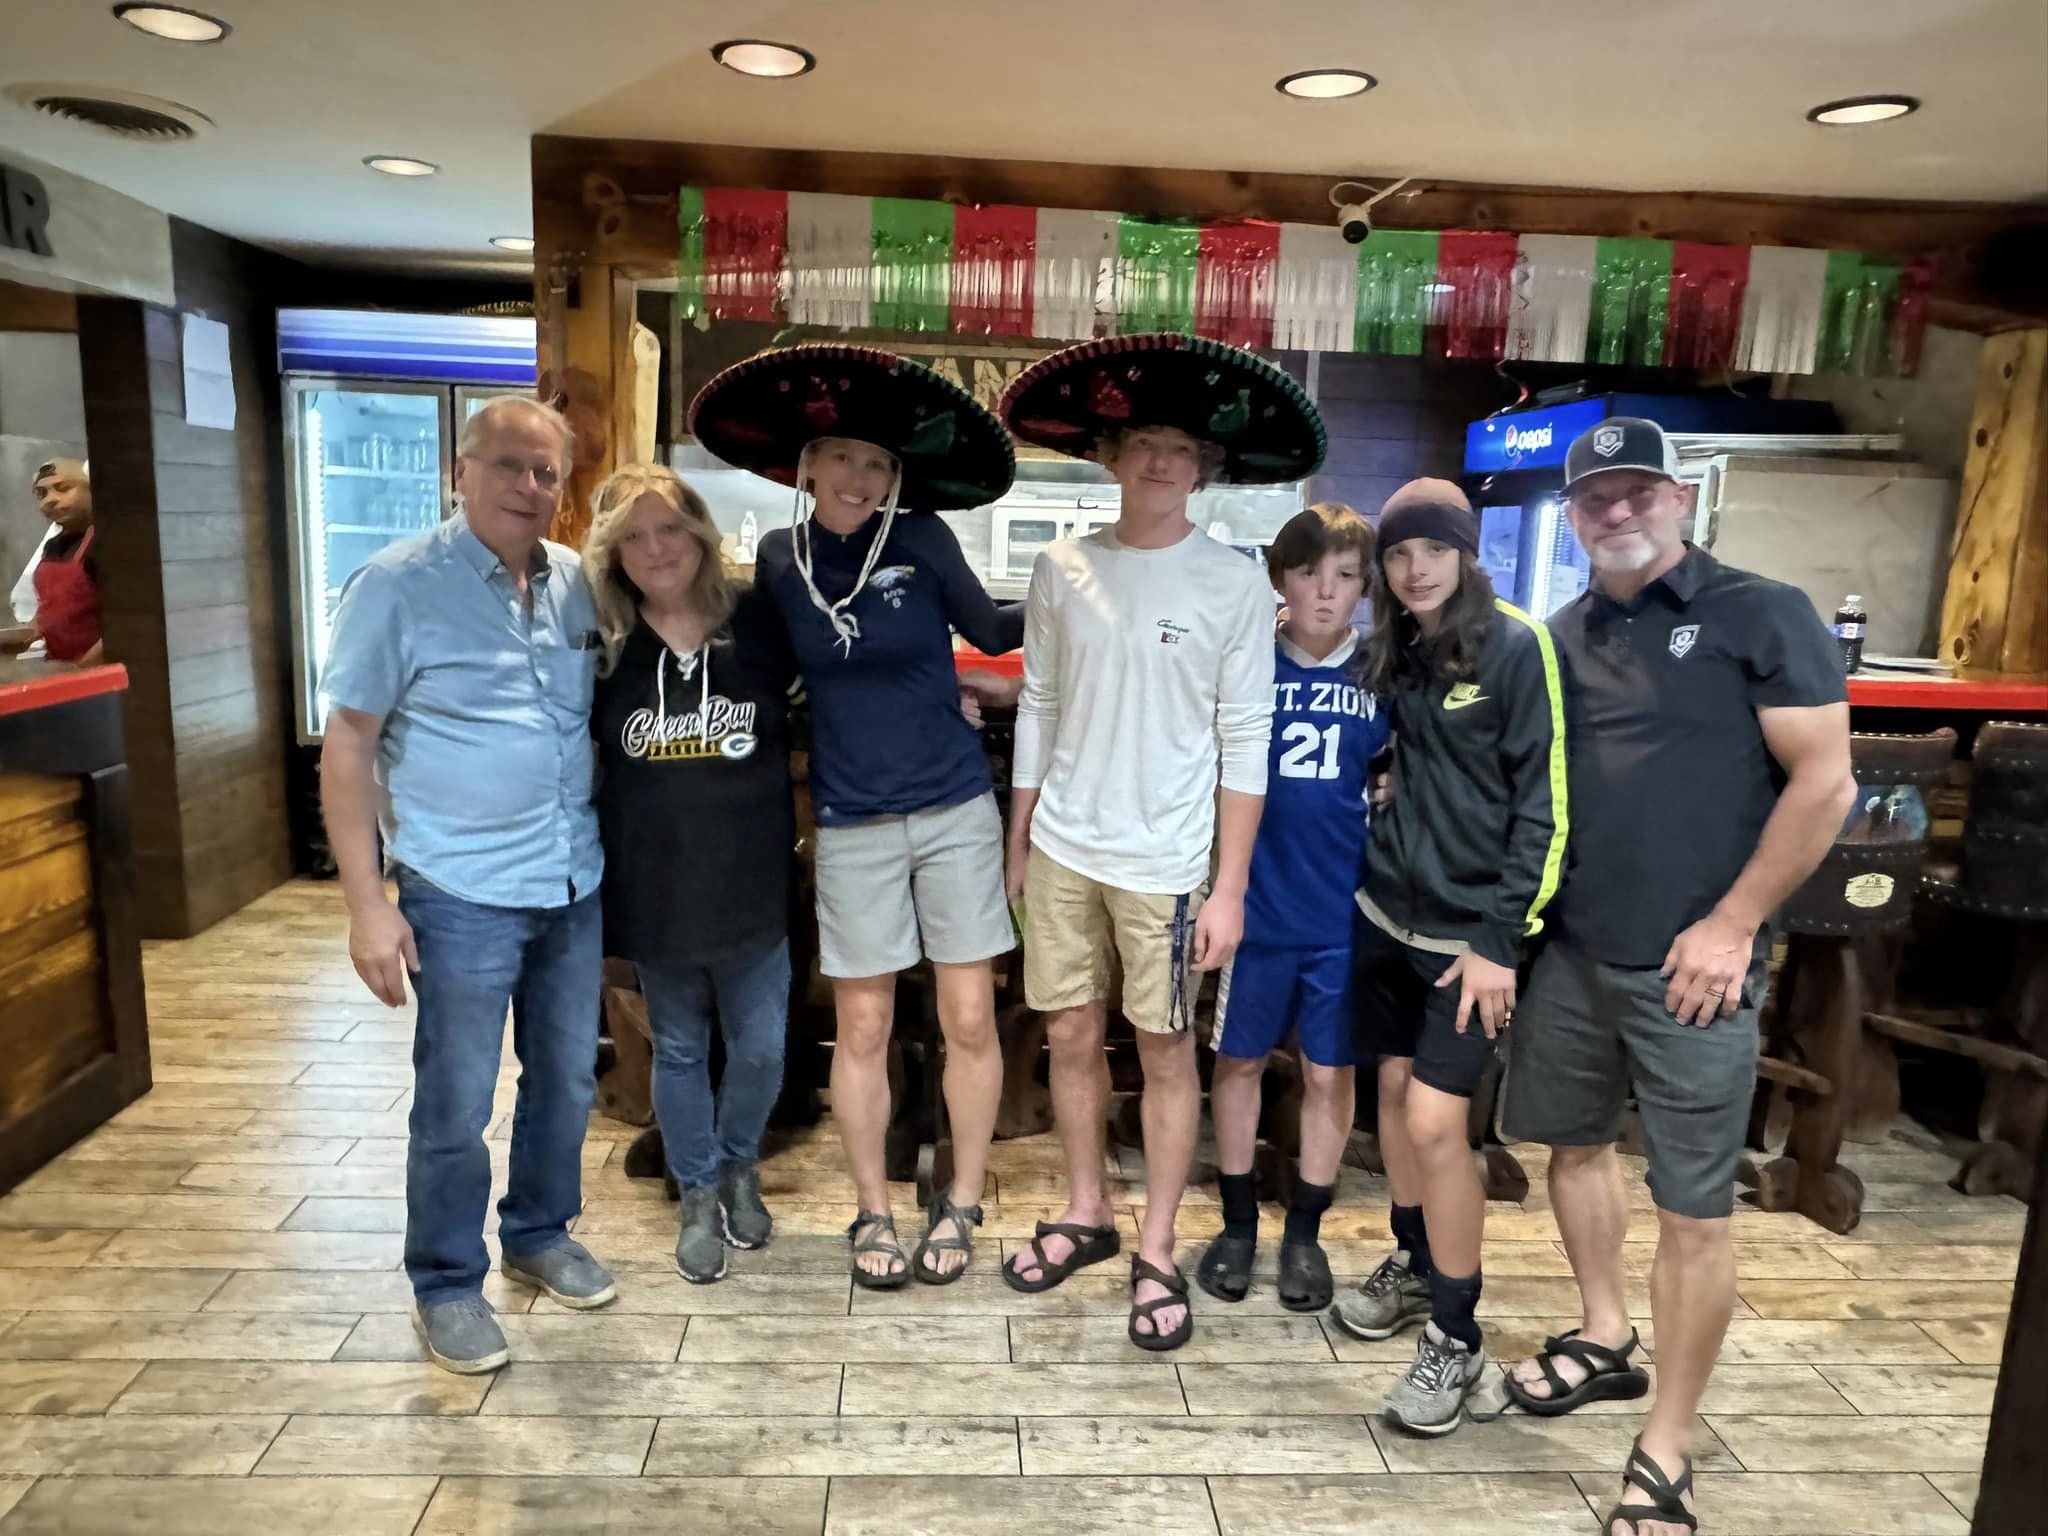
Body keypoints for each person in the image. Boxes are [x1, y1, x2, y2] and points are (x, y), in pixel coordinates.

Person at [1501, 419, 1854, 1535]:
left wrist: (1733, 924)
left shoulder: (1763, 612)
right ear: (1569, 516)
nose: (1616, 511)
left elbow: (1827, 783)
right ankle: (1605, 1332)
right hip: (1571, 953)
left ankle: (1668, 1441)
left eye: (1637, 491)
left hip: (1697, 966)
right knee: (1571, 1150)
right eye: (1593, 497)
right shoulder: (1559, 635)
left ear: (1678, 497)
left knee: (1692, 1209)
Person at [998, 333, 1323, 1352]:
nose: (1160, 462)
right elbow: (1040, 704)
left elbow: (1245, 739)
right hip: (1064, 844)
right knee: (1065, 1035)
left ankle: (1158, 1244)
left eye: (1181, 448)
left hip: (1169, 862)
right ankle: (1086, 1208)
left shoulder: (1233, 583)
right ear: (1110, 455)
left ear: (1205, 467)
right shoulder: (1063, 567)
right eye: (1143, 442)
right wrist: (1019, 837)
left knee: (1165, 1048)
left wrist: (1229, 888)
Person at [687, 344, 1020, 1289]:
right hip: (850, 818)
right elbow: (757, 672)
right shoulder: (778, 558)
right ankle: (872, 1209)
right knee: (862, 1026)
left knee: (969, 1015)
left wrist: (1076, 593)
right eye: (841, 456)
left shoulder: (924, 538)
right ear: (807, 465)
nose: (859, 477)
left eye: (877, 463)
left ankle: (962, 1199)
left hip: (954, 806)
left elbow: (991, 631)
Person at [321, 395, 616, 1375]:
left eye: (545, 472)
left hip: (569, 878)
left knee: (567, 1078)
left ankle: (538, 1231)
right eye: (508, 465)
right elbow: (348, 743)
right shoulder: (396, 585)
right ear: (461, 471)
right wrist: (366, 903)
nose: (528, 486)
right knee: (454, 1100)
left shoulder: (576, 583)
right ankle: (446, 1282)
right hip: (457, 888)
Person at [1329, 477, 1568, 1437]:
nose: (1415, 568)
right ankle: (1416, 1262)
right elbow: (1395, 756)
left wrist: (1501, 941)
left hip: (1474, 940)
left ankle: (1457, 1336)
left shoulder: (1518, 645)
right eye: (1398, 553)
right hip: (1385, 914)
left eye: (1432, 549)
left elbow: (1547, 807)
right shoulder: (1397, 650)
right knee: (1392, 1098)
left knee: (1438, 1124)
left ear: (1467, 553)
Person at [584, 464, 800, 1284]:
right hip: (656, 885)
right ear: (614, 556)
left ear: (701, 533)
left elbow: (829, 697)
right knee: (677, 1049)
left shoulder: (758, 621)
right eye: (633, 538)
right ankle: (700, 1193)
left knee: (761, 1049)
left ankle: (739, 1163)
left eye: (668, 528)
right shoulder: (605, 644)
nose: (655, 549)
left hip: (752, 880)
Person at [1197, 502, 1388, 1314]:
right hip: (1255, 909)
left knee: (1329, 1072)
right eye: (1309, 573)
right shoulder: (1248, 662)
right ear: (1280, 578)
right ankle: (1238, 1220)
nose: (1326, 591)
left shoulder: (1381, 674)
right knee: (1237, 1061)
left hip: (1343, 915)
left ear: (1365, 587)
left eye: (1345, 576)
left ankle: (1305, 1230)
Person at [5, 458, 101, 663]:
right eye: (41, 494)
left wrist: (82, 668)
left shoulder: (107, 544)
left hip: (103, 671)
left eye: (63, 488)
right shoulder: (52, 546)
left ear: (92, 491)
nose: (50, 500)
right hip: (59, 663)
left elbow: (125, 627)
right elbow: (52, 606)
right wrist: (28, 632)